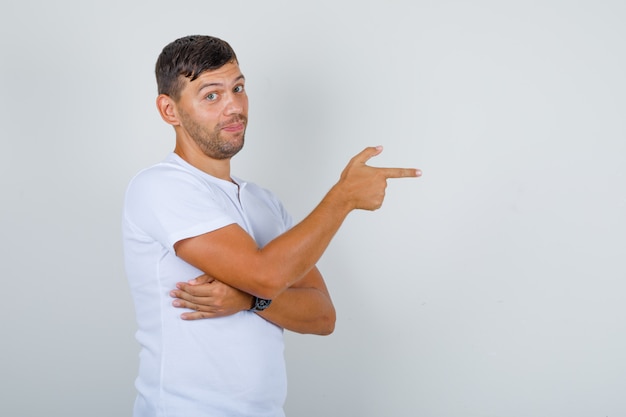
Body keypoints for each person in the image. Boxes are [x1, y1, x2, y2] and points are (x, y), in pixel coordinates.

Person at [122, 34, 421, 417]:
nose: (234, 107)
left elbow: (321, 315)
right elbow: (264, 275)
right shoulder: (160, 186)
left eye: (239, 88)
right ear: (170, 110)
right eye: (211, 95)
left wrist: (249, 300)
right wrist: (342, 198)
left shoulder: (264, 202)